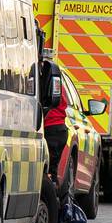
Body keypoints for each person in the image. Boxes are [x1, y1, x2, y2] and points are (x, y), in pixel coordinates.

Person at [41, 55, 70, 200]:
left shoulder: (44, 83)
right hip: (60, 130)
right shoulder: (57, 84)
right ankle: (57, 203)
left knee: (46, 172)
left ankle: (52, 202)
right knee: (52, 170)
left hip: (50, 130)